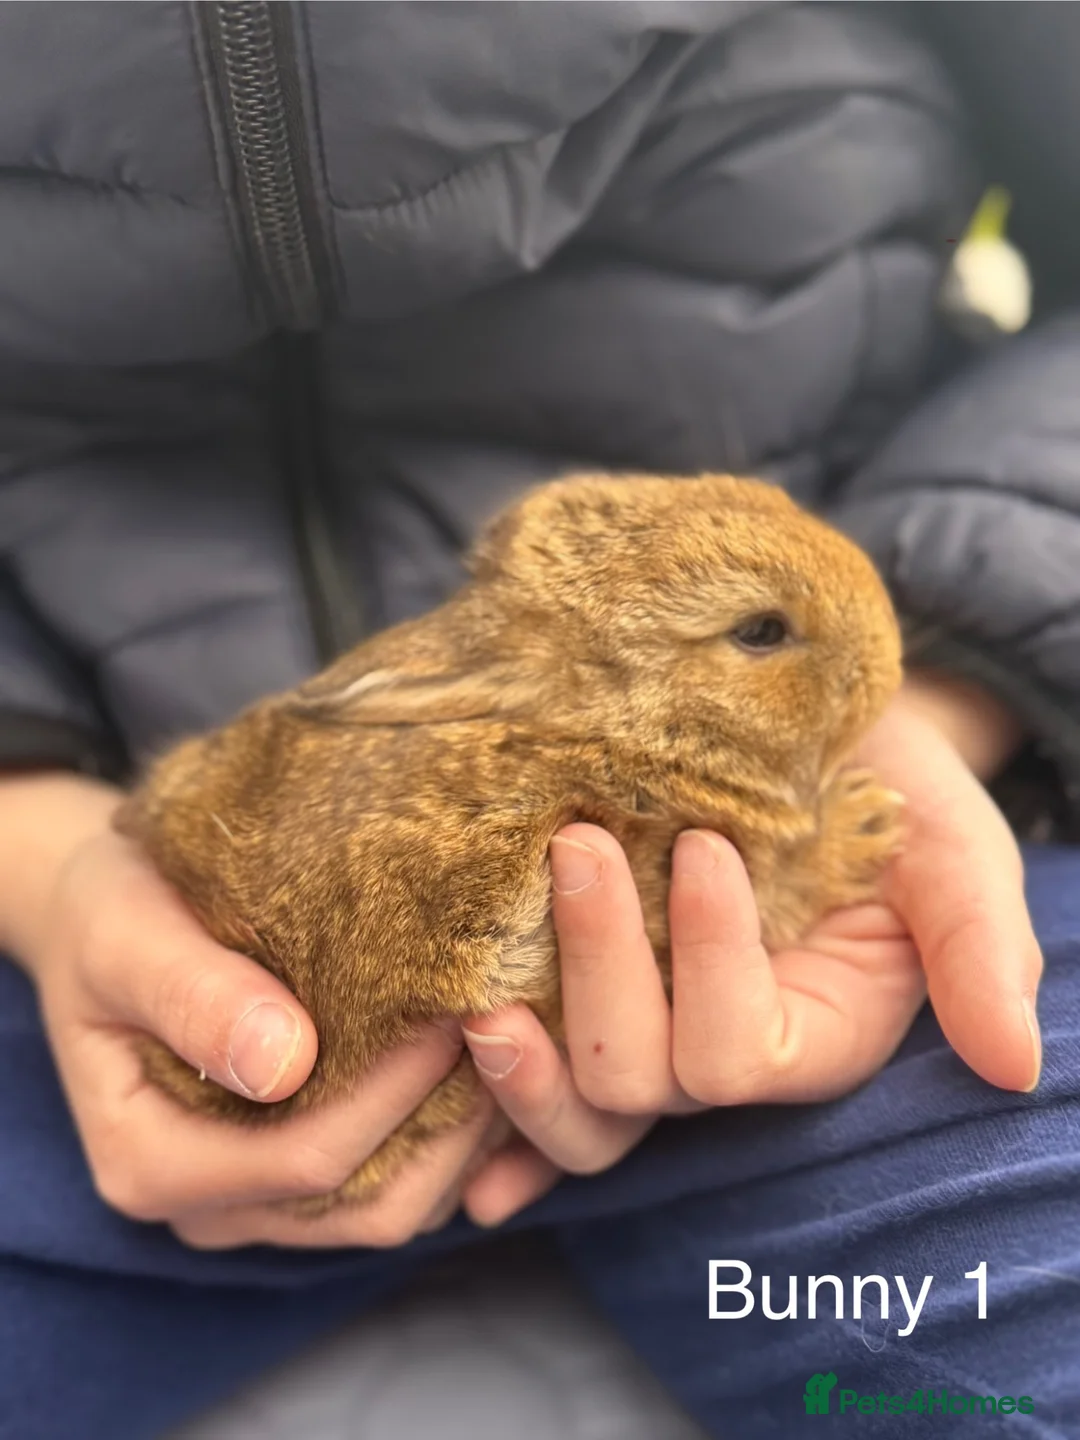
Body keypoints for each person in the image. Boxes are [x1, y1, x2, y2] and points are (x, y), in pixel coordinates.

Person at [0, 2, 1077, 1436]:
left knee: (1003, 1384)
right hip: (88, 919)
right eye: (763, 640)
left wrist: (966, 657)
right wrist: (31, 837)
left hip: (914, 830)